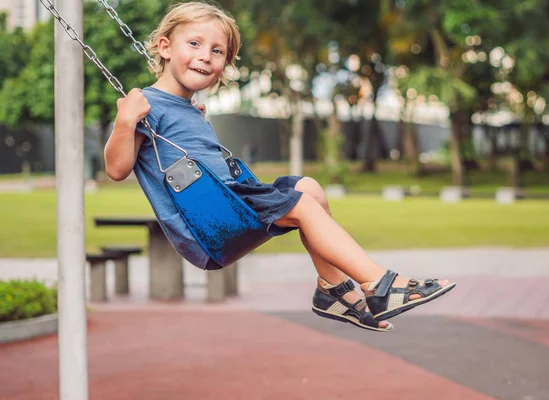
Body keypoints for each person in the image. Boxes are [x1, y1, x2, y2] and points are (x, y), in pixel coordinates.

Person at [104, 1, 455, 332]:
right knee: (301, 205)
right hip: (208, 222)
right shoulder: (145, 104)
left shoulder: (188, 107)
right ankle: (380, 284)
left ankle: (334, 289)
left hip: (232, 203)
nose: (205, 56)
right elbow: (117, 169)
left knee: (309, 189)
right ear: (165, 47)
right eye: (194, 43)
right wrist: (125, 121)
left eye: (217, 51)